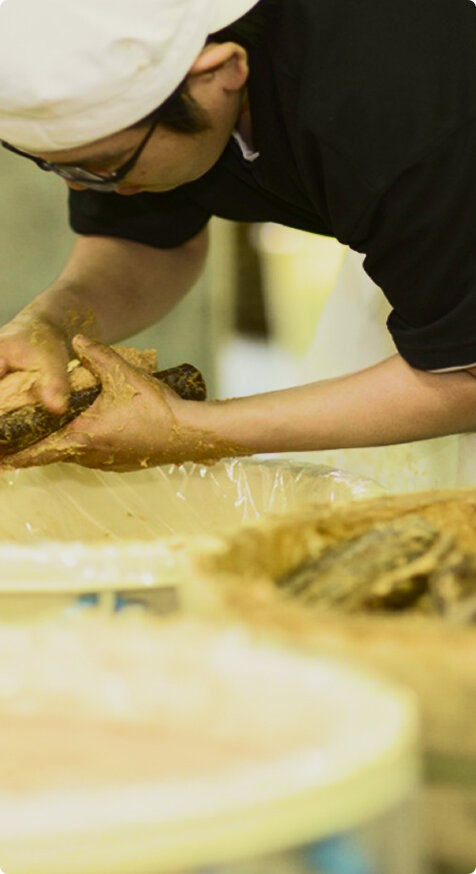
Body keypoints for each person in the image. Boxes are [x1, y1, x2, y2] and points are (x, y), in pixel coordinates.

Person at [0, 0, 476, 472]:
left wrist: (188, 429)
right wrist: (50, 323)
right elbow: (146, 239)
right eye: (54, 163)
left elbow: (466, 373)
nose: (79, 186)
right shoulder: (149, 99)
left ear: (219, 71)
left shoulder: (396, 112)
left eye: (106, 165)